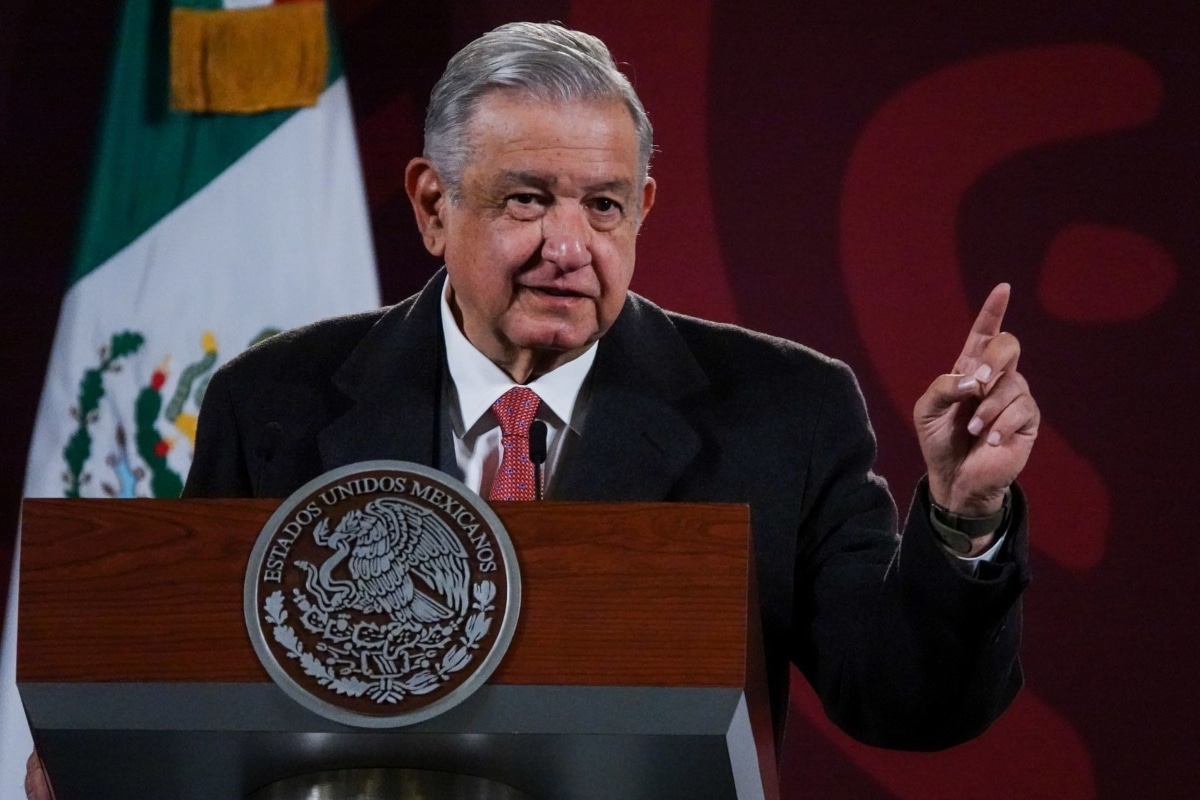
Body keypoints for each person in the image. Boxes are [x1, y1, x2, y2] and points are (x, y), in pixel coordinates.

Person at [183, 21, 1037, 755]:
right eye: (527, 199)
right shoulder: (269, 403)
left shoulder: (785, 411)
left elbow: (903, 700)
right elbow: (188, 692)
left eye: (603, 206)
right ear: (433, 205)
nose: (570, 245)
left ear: (642, 209)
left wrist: (964, 518)